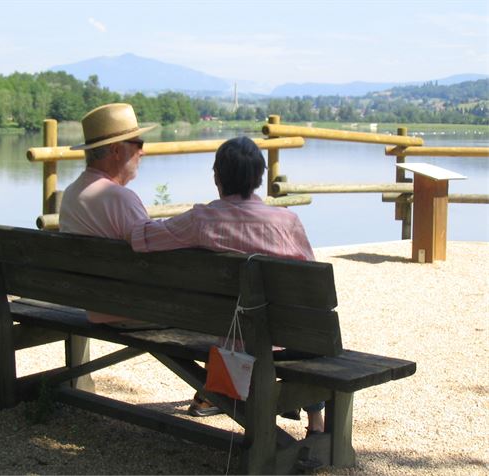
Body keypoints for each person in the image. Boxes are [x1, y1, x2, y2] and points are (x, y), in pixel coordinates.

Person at [129, 136, 324, 436]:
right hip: (284, 340)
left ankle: (215, 393)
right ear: (259, 177)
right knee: (314, 337)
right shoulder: (288, 222)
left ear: (217, 177)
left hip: (225, 338)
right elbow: (312, 290)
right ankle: (317, 424)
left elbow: (143, 239)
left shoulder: (201, 220)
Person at [59, 102, 158, 328]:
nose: (142, 151)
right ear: (115, 150)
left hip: (93, 308)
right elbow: (155, 261)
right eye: (138, 143)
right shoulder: (120, 199)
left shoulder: (71, 194)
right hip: (132, 311)